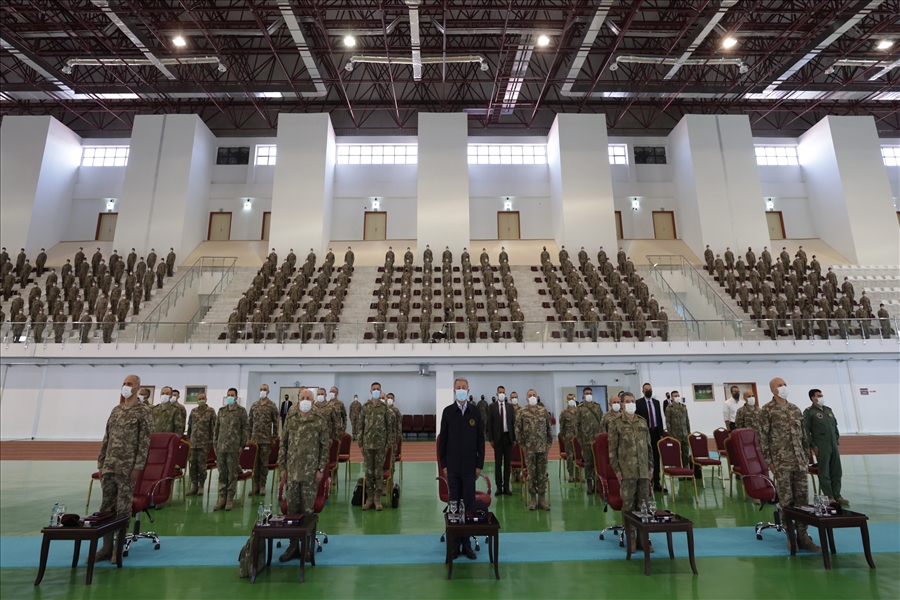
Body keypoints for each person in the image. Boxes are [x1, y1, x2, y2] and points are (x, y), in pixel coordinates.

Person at [91, 374, 151, 563]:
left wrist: (138, 467)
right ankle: (106, 547)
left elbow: (144, 441)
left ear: (137, 387)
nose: (125, 386)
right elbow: (107, 437)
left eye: (129, 384)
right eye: (124, 383)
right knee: (106, 508)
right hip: (109, 465)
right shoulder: (116, 410)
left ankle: (119, 548)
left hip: (127, 468)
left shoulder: (143, 411)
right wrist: (101, 463)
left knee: (123, 509)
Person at [760, 378, 821, 552]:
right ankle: (790, 536)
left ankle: (804, 535)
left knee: (802, 499)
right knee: (787, 500)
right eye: (780, 385)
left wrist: (806, 456)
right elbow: (763, 438)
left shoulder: (795, 409)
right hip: (781, 461)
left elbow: (803, 435)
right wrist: (769, 462)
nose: (784, 387)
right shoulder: (767, 410)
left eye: (785, 384)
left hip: (799, 461)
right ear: (773, 390)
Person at [278, 388, 329, 562]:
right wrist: (282, 468)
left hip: (310, 475)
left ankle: (307, 547)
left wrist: (321, 469)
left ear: (313, 402)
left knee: (307, 512)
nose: (306, 400)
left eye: (309, 398)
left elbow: (324, 448)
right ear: (298, 401)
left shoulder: (319, 421)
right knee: (292, 513)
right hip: (292, 473)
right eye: (303, 398)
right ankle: (293, 547)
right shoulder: (290, 420)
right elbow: (283, 445)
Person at [438, 377, 485, 560]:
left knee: (468, 506)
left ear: (468, 389)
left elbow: (480, 441)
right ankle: (454, 543)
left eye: (464, 387)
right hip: (453, 469)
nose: (461, 390)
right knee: (454, 506)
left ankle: (467, 544)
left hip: (469, 469)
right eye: (458, 387)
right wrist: (444, 465)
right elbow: (443, 442)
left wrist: (479, 465)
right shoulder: (448, 412)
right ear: (453, 391)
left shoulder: (476, 412)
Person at [608, 392, 654, 553]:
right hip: (627, 471)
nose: (630, 403)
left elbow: (649, 448)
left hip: (642, 470)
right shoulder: (615, 423)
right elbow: (612, 450)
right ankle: (631, 539)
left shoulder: (642, 421)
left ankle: (643, 538)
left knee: (644, 506)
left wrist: (651, 468)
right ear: (621, 404)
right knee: (628, 506)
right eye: (627, 401)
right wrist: (617, 470)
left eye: (633, 401)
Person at [804, 389, 847, 505]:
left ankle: (837, 495)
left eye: (822, 395)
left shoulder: (828, 410)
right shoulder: (809, 412)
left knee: (837, 470)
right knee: (825, 472)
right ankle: (829, 496)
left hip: (833, 444)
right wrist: (812, 445)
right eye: (819, 395)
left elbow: (834, 426)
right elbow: (806, 430)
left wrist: (836, 439)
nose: (821, 397)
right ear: (813, 398)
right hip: (821, 445)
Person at [515, 389, 553, 510]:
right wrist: (522, 445)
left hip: (542, 449)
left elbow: (549, 429)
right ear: (526, 399)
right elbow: (518, 430)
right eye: (530, 396)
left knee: (541, 475)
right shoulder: (522, 412)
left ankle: (541, 499)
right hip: (529, 449)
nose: (532, 397)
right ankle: (532, 499)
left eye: (534, 395)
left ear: (537, 397)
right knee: (531, 475)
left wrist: (548, 444)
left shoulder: (543, 411)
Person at [357, 382, 392, 511]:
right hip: (367, 444)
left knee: (378, 472)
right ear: (370, 391)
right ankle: (369, 498)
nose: (376, 391)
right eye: (374, 389)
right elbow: (361, 426)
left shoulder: (384, 408)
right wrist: (360, 443)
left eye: (378, 389)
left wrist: (387, 444)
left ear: (380, 390)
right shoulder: (365, 407)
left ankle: (377, 499)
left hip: (380, 445)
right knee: (369, 472)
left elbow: (389, 427)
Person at [214, 388, 249, 511]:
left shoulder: (241, 411)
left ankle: (229, 499)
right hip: (221, 447)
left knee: (232, 473)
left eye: (232, 395)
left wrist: (242, 444)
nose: (230, 397)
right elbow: (217, 429)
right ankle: (222, 498)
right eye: (228, 395)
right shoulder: (221, 411)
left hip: (234, 447)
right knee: (222, 473)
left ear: (236, 397)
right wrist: (215, 444)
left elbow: (245, 428)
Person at [249, 384, 280, 496]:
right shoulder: (254, 405)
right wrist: (249, 438)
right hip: (254, 440)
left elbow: (275, 422)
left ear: (268, 391)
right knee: (255, 464)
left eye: (265, 389)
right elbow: (250, 422)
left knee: (263, 464)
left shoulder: (272, 405)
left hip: (266, 440)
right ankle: (255, 486)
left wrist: (274, 437)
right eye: (261, 389)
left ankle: (262, 486)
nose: (262, 391)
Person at [636, 383, 666, 493]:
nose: (648, 391)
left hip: (656, 433)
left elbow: (659, 418)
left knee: (656, 458)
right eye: (646, 389)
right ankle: (646, 483)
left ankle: (657, 482)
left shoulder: (656, 403)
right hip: (644, 433)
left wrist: (661, 433)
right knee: (645, 458)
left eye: (650, 389)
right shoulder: (639, 403)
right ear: (643, 391)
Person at [186, 392, 216, 495]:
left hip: (204, 443)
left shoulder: (211, 411)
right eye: (199, 398)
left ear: (206, 399)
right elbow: (190, 426)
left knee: (202, 465)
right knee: (193, 465)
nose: (201, 400)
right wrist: (188, 440)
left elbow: (214, 428)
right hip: (193, 442)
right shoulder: (193, 411)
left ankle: (201, 485)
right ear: (197, 400)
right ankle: (194, 485)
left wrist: (212, 441)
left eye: (203, 398)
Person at [487, 385, 515, 496]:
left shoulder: (510, 407)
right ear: (496, 393)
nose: (502, 394)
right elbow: (489, 424)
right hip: (497, 439)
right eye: (500, 392)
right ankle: (499, 487)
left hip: (508, 438)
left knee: (507, 464)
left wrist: (514, 439)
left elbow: (513, 423)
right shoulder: (492, 407)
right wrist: (491, 439)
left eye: (503, 392)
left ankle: (506, 487)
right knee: (498, 464)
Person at [575, 387, 603, 494]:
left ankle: (597, 483)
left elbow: (602, 422)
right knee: (588, 463)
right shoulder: (580, 408)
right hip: (585, 441)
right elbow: (576, 425)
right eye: (586, 393)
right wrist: (580, 439)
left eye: (590, 393)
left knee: (597, 462)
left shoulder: (597, 407)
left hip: (597, 441)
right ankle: (589, 484)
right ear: (583, 395)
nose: (589, 395)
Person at [663, 391, 691, 475]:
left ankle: (686, 469)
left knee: (686, 453)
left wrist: (689, 433)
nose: (677, 397)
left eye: (678, 395)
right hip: (675, 435)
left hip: (684, 434)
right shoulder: (669, 408)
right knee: (677, 454)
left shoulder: (683, 407)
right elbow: (668, 422)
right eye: (675, 396)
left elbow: (687, 421)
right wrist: (670, 435)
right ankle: (678, 470)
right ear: (672, 398)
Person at [558, 394, 578, 483]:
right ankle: (571, 474)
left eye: (572, 398)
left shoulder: (579, 411)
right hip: (568, 438)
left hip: (578, 438)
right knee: (570, 456)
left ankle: (578, 475)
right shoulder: (564, 412)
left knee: (578, 456)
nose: (571, 400)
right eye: (569, 399)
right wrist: (563, 437)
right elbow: (561, 426)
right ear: (566, 400)